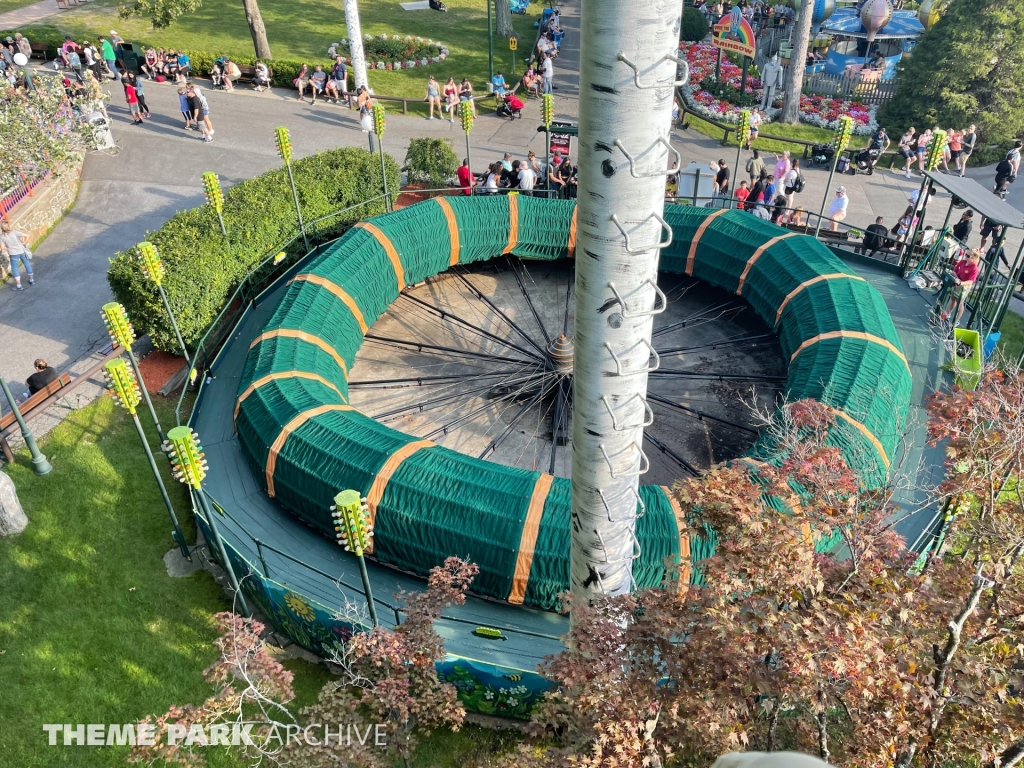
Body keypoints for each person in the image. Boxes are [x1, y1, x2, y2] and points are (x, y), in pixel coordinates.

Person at [943, 249, 981, 323]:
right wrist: (957, 278)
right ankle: (947, 313)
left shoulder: (974, 268)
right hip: (957, 282)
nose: (965, 256)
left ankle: (957, 320)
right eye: (966, 254)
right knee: (953, 298)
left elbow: (971, 281)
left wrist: (961, 283)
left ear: (973, 258)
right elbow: (954, 271)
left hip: (964, 285)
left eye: (968, 255)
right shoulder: (962, 262)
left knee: (960, 302)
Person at [1, 221, 33, 290]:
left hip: (13, 254)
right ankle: (31, 280)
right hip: (21, 251)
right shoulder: (14, 232)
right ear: (9, 226)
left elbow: (2, 247)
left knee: (15, 269)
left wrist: (7, 247)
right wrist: (24, 242)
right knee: (27, 264)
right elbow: (27, 235)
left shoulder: (1, 237)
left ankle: (19, 285)